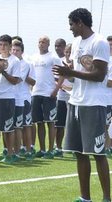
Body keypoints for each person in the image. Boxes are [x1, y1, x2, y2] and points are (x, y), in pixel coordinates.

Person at [53, 8, 111, 202]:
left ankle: (106, 198)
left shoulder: (99, 42)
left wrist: (73, 73)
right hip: (75, 102)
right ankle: (85, 198)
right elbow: (78, 73)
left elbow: (99, 75)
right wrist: (67, 72)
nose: (70, 28)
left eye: (71, 24)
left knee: (97, 153)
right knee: (79, 152)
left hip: (93, 104)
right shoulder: (76, 42)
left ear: (80, 23)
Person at [0, 35, 21, 164]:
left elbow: (15, 81)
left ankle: (9, 153)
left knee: (8, 128)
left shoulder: (15, 61)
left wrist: (3, 71)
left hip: (8, 97)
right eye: (0, 44)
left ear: (10, 46)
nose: (2, 47)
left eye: (5, 45)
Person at [31, 35, 63, 159]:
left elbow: (62, 74)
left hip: (49, 93)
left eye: (44, 42)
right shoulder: (34, 57)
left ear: (48, 44)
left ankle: (50, 149)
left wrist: (56, 89)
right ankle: (42, 149)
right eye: (39, 42)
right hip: (36, 93)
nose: (41, 44)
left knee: (50, 122)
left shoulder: (53, 57)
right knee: (39, 123)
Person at [11, 39, 36, 161]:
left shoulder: (26, 64)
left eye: (17, 50)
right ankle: (16, 149)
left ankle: (28, 149)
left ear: (22, 52)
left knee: (25, 125)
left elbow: (19, 79)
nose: (15, 52)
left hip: (23, 98)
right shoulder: (10, 62)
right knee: (13, 126)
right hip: (11, 98)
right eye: (13, 50)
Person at [54, 43, 72, 157]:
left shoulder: (77, 63)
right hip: (61, 96)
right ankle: (58, 147)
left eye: (71, 52)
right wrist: (64, 87)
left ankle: (73, 147)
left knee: (73, 124)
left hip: (75, 97)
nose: (68, 54)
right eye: (67, 52)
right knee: (59, 124)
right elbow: (55, 79)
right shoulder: (60, 62)